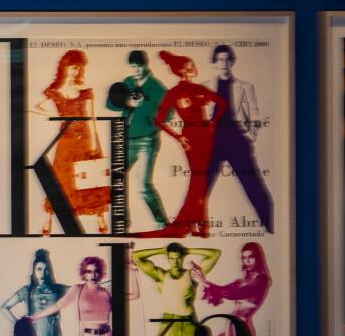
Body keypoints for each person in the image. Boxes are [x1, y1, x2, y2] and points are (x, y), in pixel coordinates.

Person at [32, 49, 111, 234]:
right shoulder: (54, 91)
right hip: (65, 144)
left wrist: (93, 145)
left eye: (79, 68)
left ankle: (100, 217)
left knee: (91, 180)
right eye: (73, 67)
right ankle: (48, 218)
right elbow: (30, 105)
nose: (76, 71)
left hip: (85, 141)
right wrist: (53, 115)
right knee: (60, 181)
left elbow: (90, 119)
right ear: (65, 67)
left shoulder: (85, 91)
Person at [153, 51, 225, 238]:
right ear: (183, 71)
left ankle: (194, 223)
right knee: (199, 180)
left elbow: (222, 103)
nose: (196, 68)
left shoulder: (199, 89)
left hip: (205, 138)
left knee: (199, 181)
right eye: (191, 66)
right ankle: (201, 224)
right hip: (192, 139)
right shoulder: (173, 93)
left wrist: (213, 123)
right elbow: (158, 120)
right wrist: (179, 138)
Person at [206, 45, 274, 234]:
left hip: (237, 139)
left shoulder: (245, 86)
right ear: (215, 62)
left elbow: (255, 114)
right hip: (213, 141)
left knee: (254, 186)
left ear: (232, 62)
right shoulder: (205, 86)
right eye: (220, 59)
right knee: (200, 187)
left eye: (227, 59)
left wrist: (251, 135)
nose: (224, 63)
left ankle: (271, 227)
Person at [108, 50, 168, 227]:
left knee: (143, 186)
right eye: (133, 66)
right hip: (126, 140)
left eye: (139, 66)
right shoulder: (127, 82)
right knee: (116, 180)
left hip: (147, 142)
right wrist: (127, 101)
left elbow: (168, 113)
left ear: (145, 65)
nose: (136, 70)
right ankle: (122, 223)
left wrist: (147, 109)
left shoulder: (156, 87)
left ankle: (162, 222)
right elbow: (109, 103)